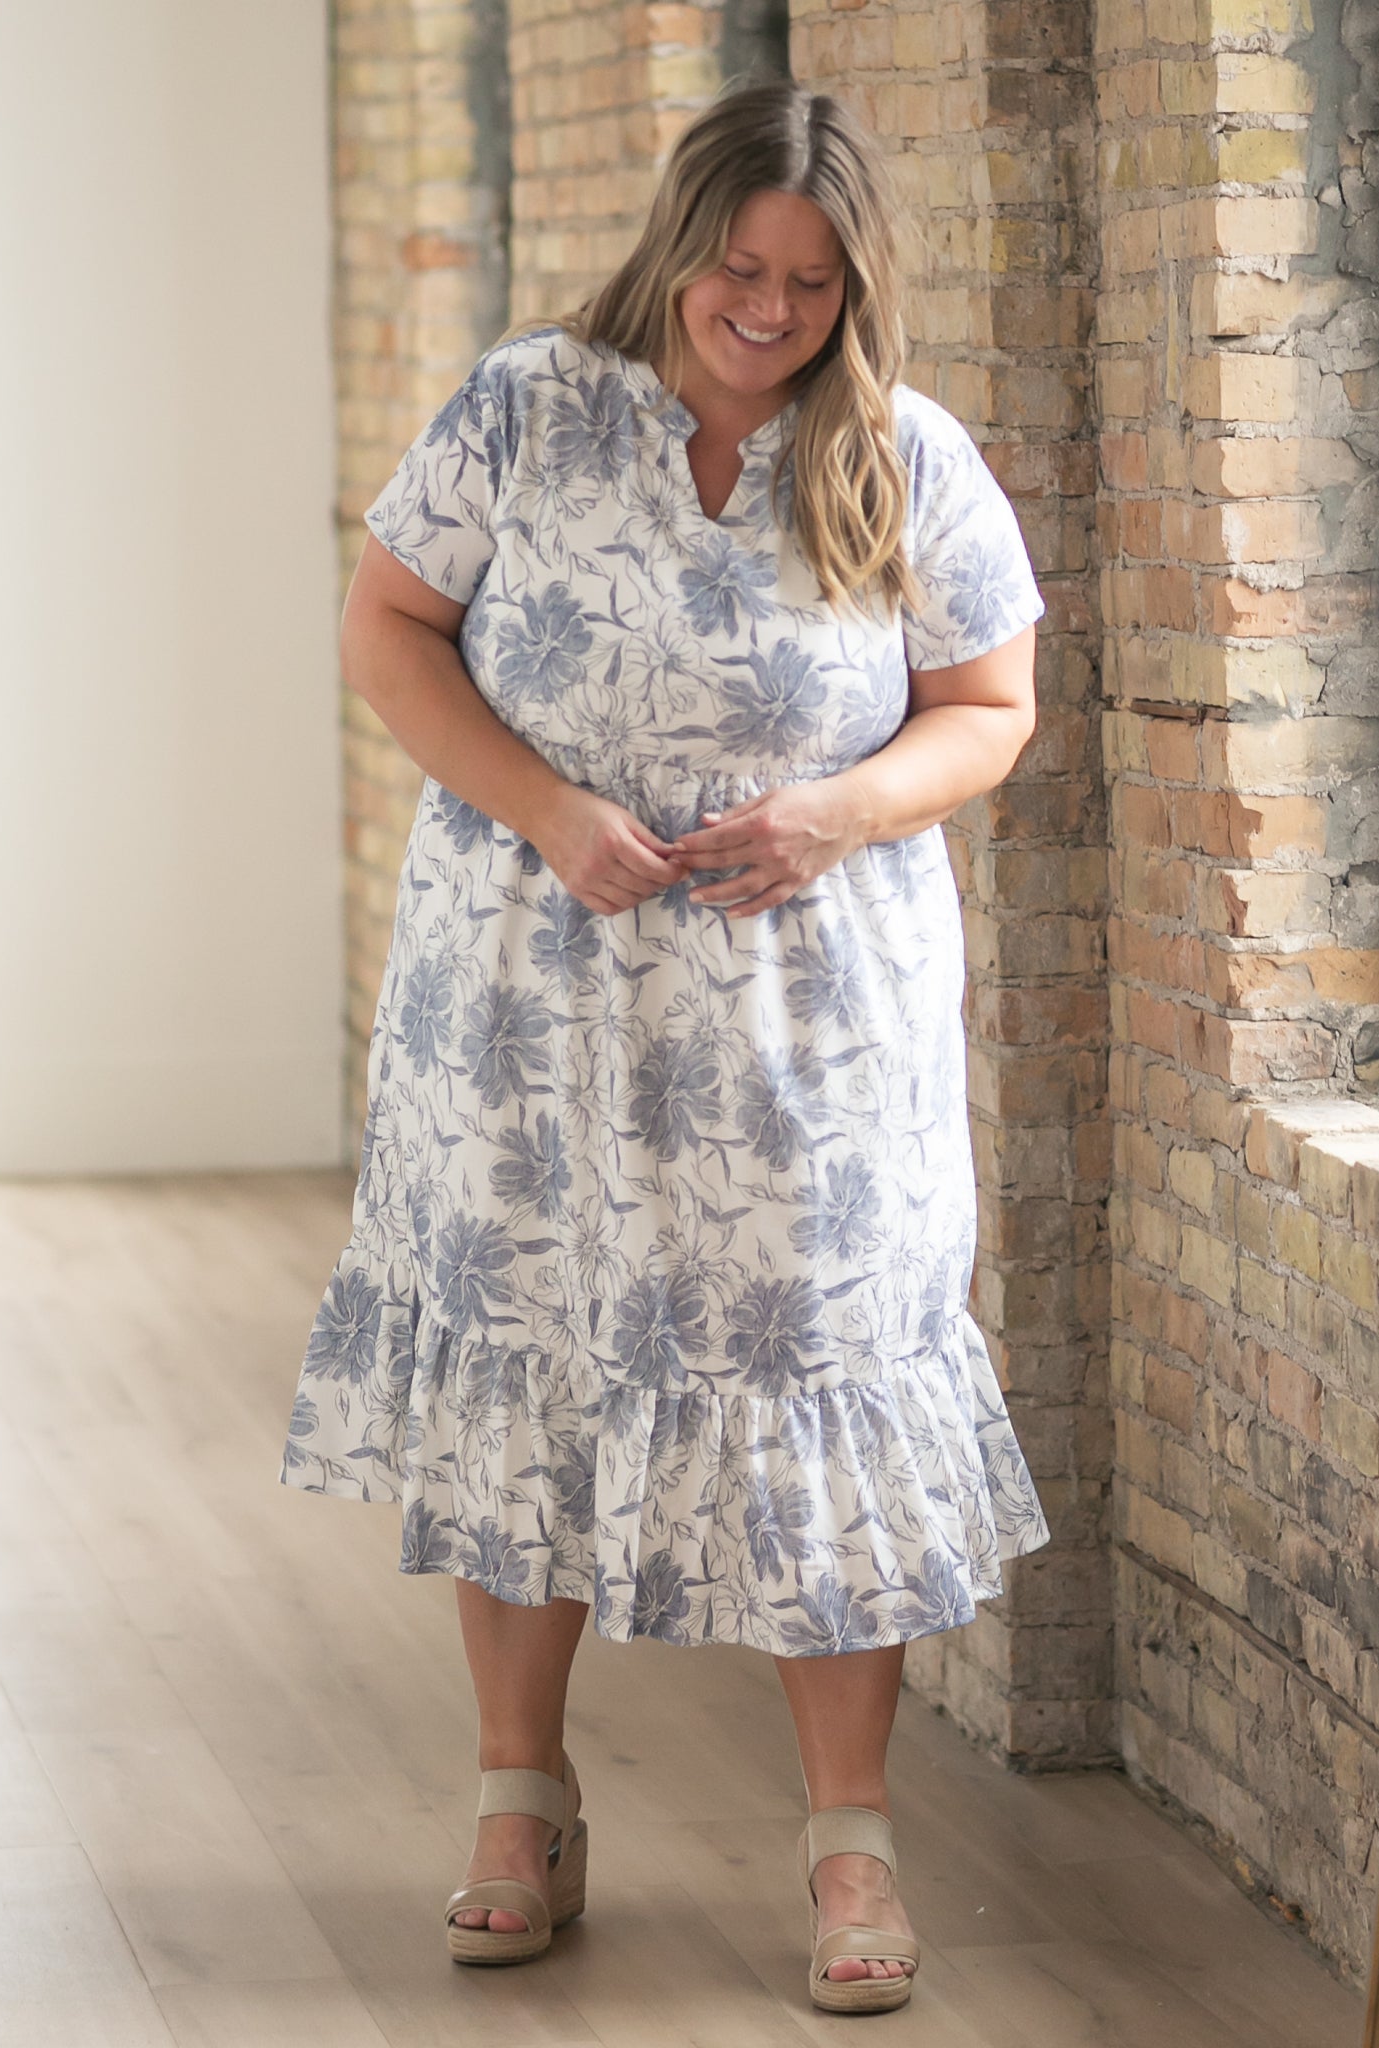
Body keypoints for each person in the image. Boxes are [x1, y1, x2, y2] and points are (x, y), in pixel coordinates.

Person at [278, 74, 1051, 2017]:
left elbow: (992, 707)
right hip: (525, 999)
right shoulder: (526, 408)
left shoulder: (907, 454)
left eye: (812, 282)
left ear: (854, 289)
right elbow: (385, 629)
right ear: (678, 242)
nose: (769, 309)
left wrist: (837, 813)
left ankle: (851, 1839)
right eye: (740, 267)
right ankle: (520, 1801)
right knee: (535, 1361)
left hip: (813, 1029)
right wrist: (548, 810)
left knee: (822, 1375)